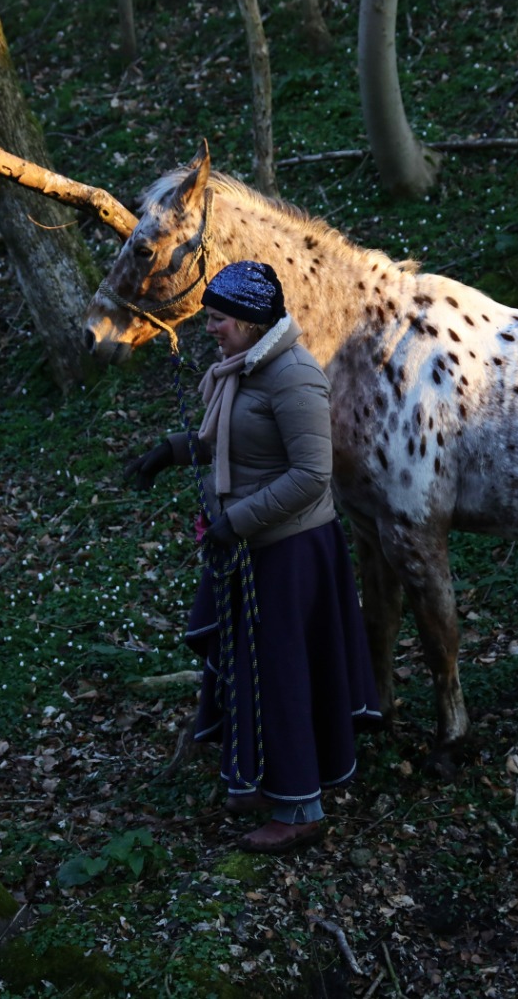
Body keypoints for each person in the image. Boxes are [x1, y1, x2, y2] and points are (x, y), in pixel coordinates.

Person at [125, 260, 380, 854]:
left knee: (284, 676)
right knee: (253, 669)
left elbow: (312, 476)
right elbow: (228, 447)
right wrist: (172, 451)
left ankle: (300, 810)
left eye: (217, 319)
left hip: (290, 556)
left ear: (247, 320)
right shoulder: (238, 371)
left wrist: (233, 522)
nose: (209, 328)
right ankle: (259, 778)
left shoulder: (293, 378)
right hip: (249, 546)